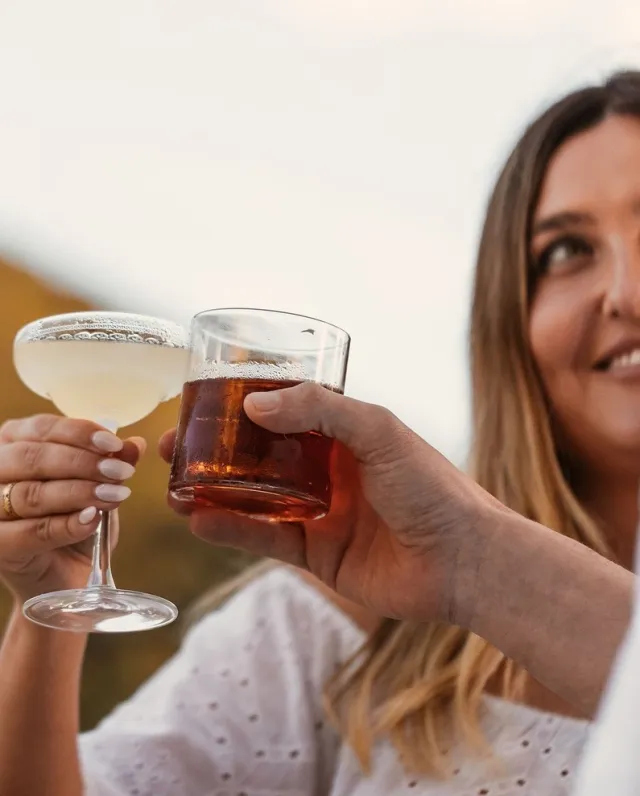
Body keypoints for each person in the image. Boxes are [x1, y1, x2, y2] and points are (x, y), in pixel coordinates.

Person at [1, 69, 640, 795]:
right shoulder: (353, 623)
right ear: (508, 319)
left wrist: (478, 565)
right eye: (565, 252)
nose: (626, 292)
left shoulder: (436, 567)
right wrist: (47, 609)